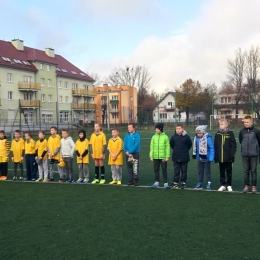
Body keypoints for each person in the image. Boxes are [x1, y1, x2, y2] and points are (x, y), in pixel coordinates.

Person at [239, 115, 260, 193]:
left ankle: (254, 186)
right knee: (246, 171)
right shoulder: (242, 131)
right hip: (244, 154)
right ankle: (246, 186)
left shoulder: (256, 131)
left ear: (251, 122)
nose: (246, 123)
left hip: (254, 154)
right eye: (245, 122)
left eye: (247, 122)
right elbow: (241, 141)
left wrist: (256, 150)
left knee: (253, 171)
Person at [214, 119, 237, 192]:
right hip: (220, 158)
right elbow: (215, 146)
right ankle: (222, 185)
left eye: (222, 124)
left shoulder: (230, 133)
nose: (221, 126)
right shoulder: (217, 134)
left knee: (229, 172)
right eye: (220, 124)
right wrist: (216, 156)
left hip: (228, 158)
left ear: (226, 125)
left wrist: (232, 155)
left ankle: (229, 185)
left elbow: (233, 145)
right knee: (222, 171)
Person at [170, 124, 192, 189]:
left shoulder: (187, 137)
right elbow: (172, 145)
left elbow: (189, 145)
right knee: (176, 171)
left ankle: (183, 182)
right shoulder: (173, 137)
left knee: (184, 171)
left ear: (183, 129)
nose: (178, 130)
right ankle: (175, 182)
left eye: (179, 128)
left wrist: (184, 150)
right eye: (177, 129)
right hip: (176, 157)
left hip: (184, 157)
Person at [193, 125, 214, 190]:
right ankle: (200, 182)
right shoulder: (196, 138)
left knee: (207, 172)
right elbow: (196, 148)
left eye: (199, 133)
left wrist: (211, 157)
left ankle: (209, 183)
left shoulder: (208, 138)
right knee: (200, 171)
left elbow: (211, 148)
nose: (198, 134)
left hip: (206, 158)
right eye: (197, 133)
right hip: (200, 158)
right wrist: (196, 155)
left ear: (203, 132)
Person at [149, 123, 170, 189]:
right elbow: (151, 147)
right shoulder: (153, 137)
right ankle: (156, 182)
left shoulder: (165, 137)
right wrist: (151, 156)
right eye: (156, 129)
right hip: (155, 157)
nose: (156, 130)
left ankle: (165, 183)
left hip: (163, 157)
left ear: (161, 129)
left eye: (157, 129)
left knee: (164, 170)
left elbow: (167, 147)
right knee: (156, 170)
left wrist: (167, 156)